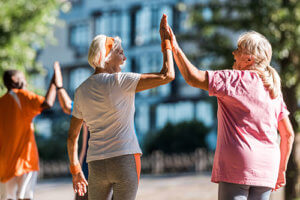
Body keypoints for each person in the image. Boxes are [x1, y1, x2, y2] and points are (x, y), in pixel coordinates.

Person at [166, 24, 295, 200]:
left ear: (249, 59)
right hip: (267, 168)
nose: (233, 54)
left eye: (238, 50)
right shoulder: (274, 90)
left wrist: (174, 46)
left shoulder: (232, 80)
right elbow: (288, 135)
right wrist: (281, 170)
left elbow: (192, 77)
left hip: (238, 165)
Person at [67, 14, 174, 200]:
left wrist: (76, 169)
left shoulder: (80, 90)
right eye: (120, 53)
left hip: (96, 164)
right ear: (106, 57)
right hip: (125, 159)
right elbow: (167, 75)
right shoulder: (121, 80)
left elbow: (71, 137)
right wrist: (167, 43)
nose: (124, 58)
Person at [0, 68, 57, 200]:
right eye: (23, 78)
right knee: (25, 198)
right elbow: (47, 103)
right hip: (25, 161)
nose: (25, 82)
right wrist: (54, 82)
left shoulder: (1, 102)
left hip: (4, 164)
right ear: (15, 80)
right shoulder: (22, 96)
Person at [53, 62, 89, 200]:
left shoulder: (89, 104)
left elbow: (67, 106)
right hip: (92, 170)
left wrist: (59, 85)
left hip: (90, 169)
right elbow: (68, 106)